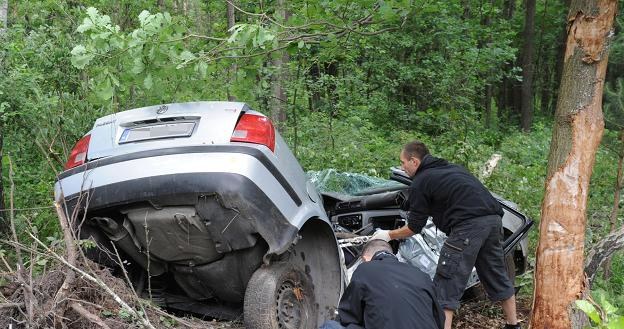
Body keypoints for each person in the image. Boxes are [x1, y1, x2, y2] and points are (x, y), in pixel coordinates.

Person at [372, 141, 521, 329]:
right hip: (493, 221)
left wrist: (388, 235)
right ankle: (513, 325)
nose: (402, 166)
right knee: (498, 276)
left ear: (414, 161)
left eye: (403, 162)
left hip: (467, 227)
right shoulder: (450, 169)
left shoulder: (421, 181)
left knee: (446, 285)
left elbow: (414, 227)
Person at [320, 239, 444, 329]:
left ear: (365, 258)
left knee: (329, 326)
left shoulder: (365, 269)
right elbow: (439, 319)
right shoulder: (422, 275)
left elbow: (348, 315)